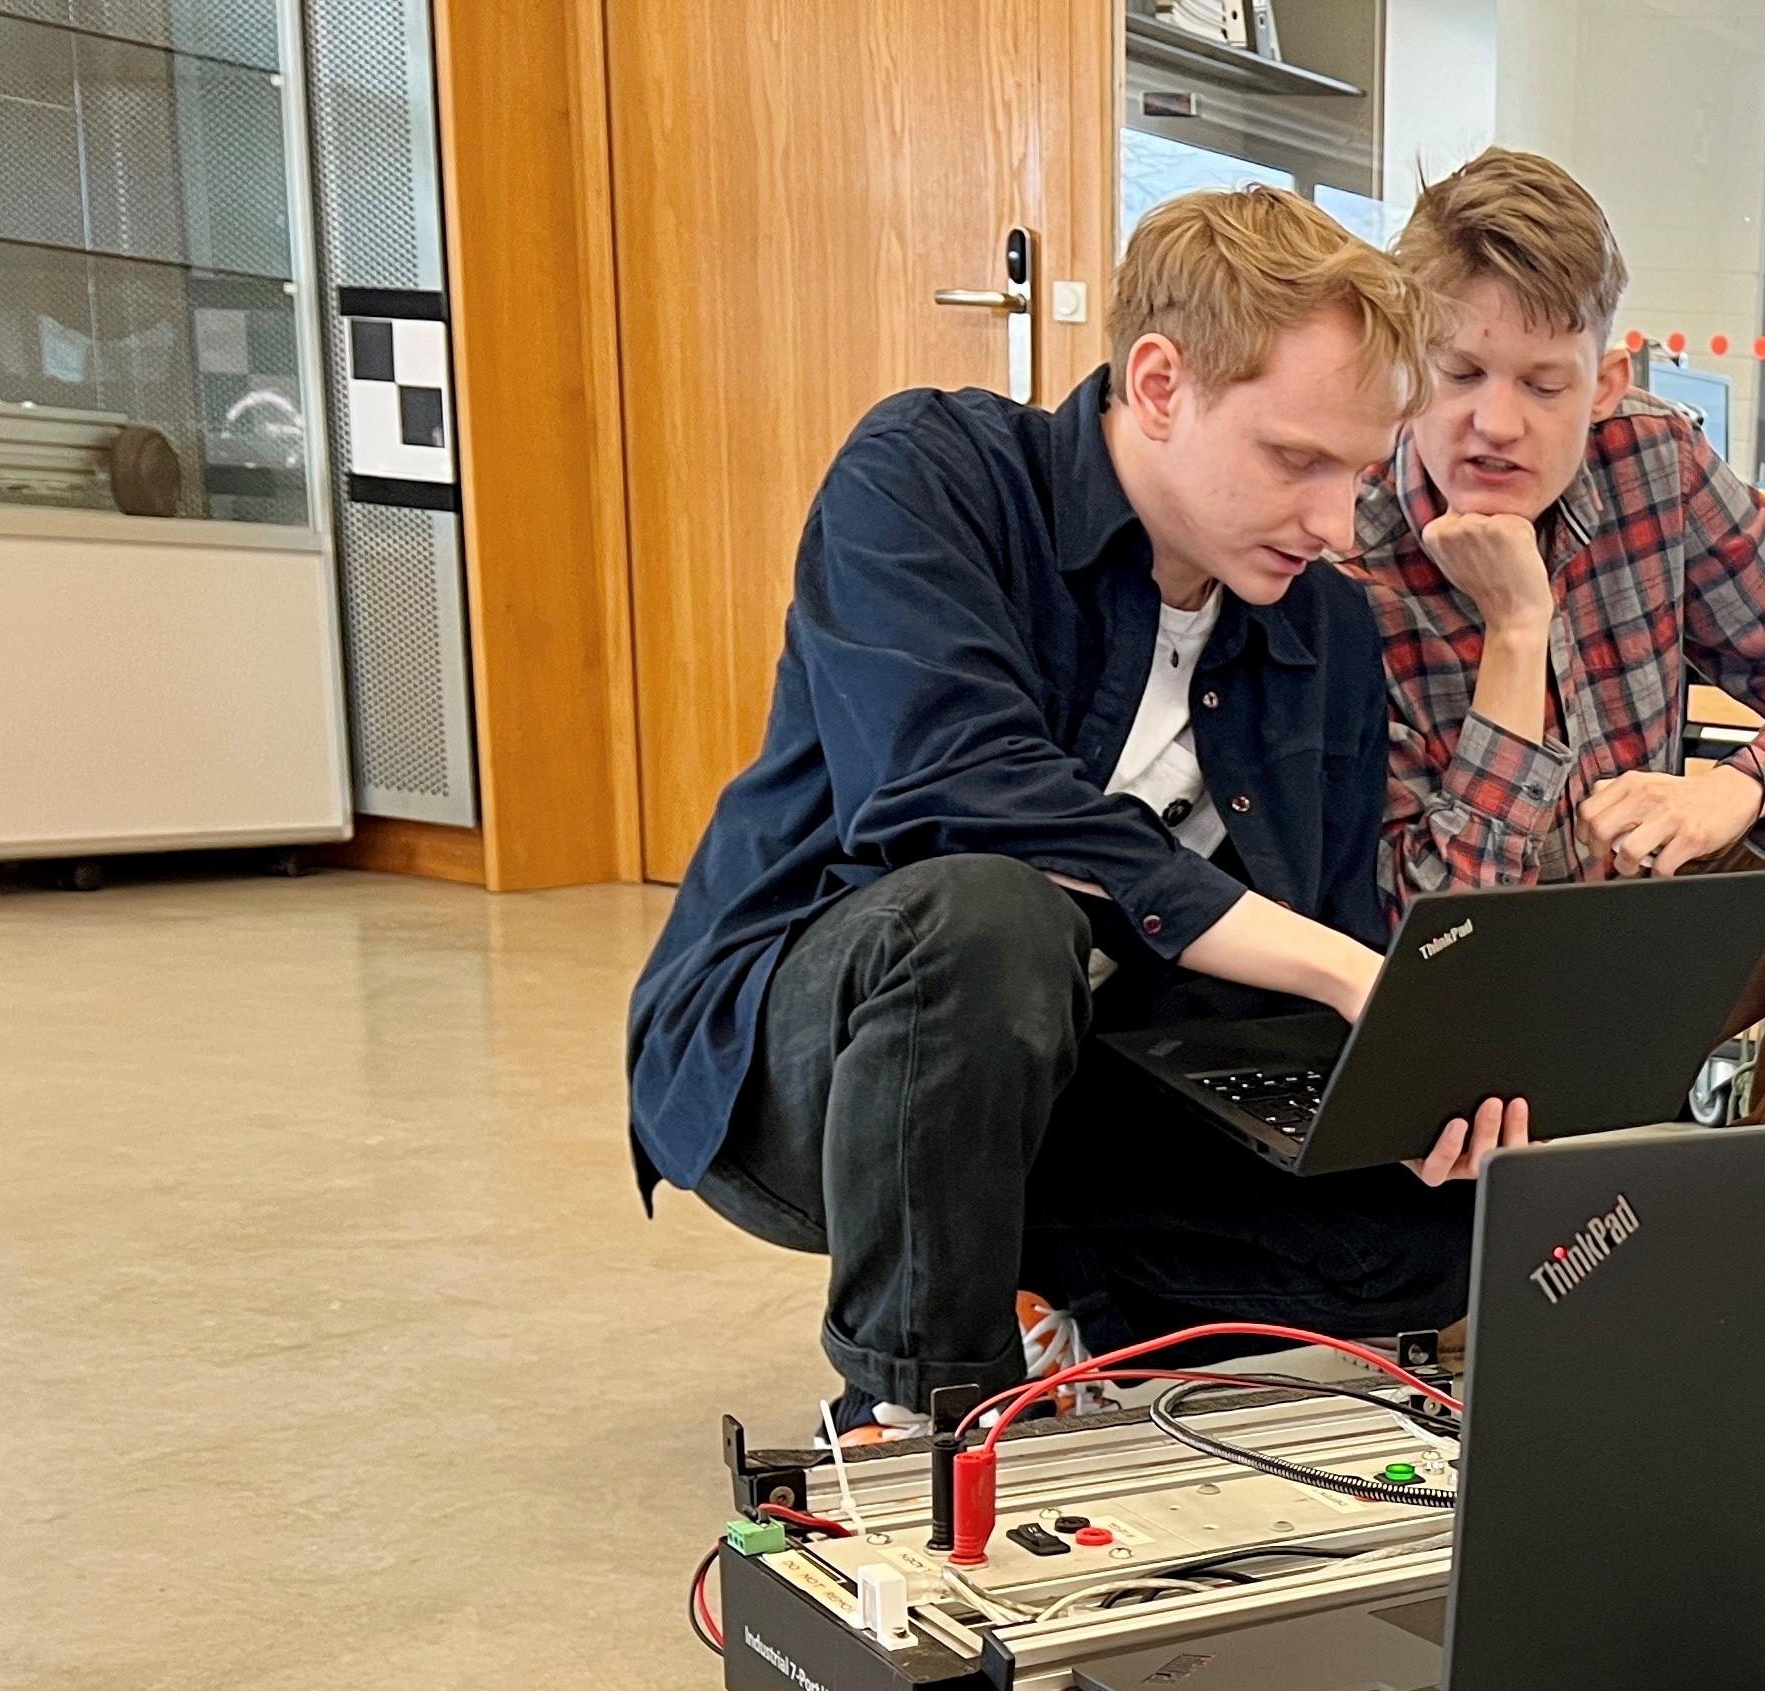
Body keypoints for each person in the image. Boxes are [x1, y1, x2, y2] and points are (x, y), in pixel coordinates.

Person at [623, 189, 1512, 1439]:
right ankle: (918, 1414)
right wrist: (1342, 969)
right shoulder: (931, 475)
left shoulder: (1321, 628)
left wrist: (1415, 1090)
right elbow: (953, 791)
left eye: (1361, 472)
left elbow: (1312, 923)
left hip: (1090, 1094)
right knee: (989, 915)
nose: (1332, 521)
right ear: (1159, 383)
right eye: (1296, 458)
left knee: (1445, 1225)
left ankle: (1087, 1322)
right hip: (812, 1077)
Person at [1353, 149, 1765, 1122]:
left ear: (1606, 383)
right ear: (1403, 370)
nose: (1495, 423)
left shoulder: (1652, 464)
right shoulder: (1345, 546)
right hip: (1449, 1009)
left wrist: (1737, 787)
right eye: (1460, 372)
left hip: (1631, 951)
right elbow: (1431, 932)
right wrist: (1518, 628)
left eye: (1543, 385)